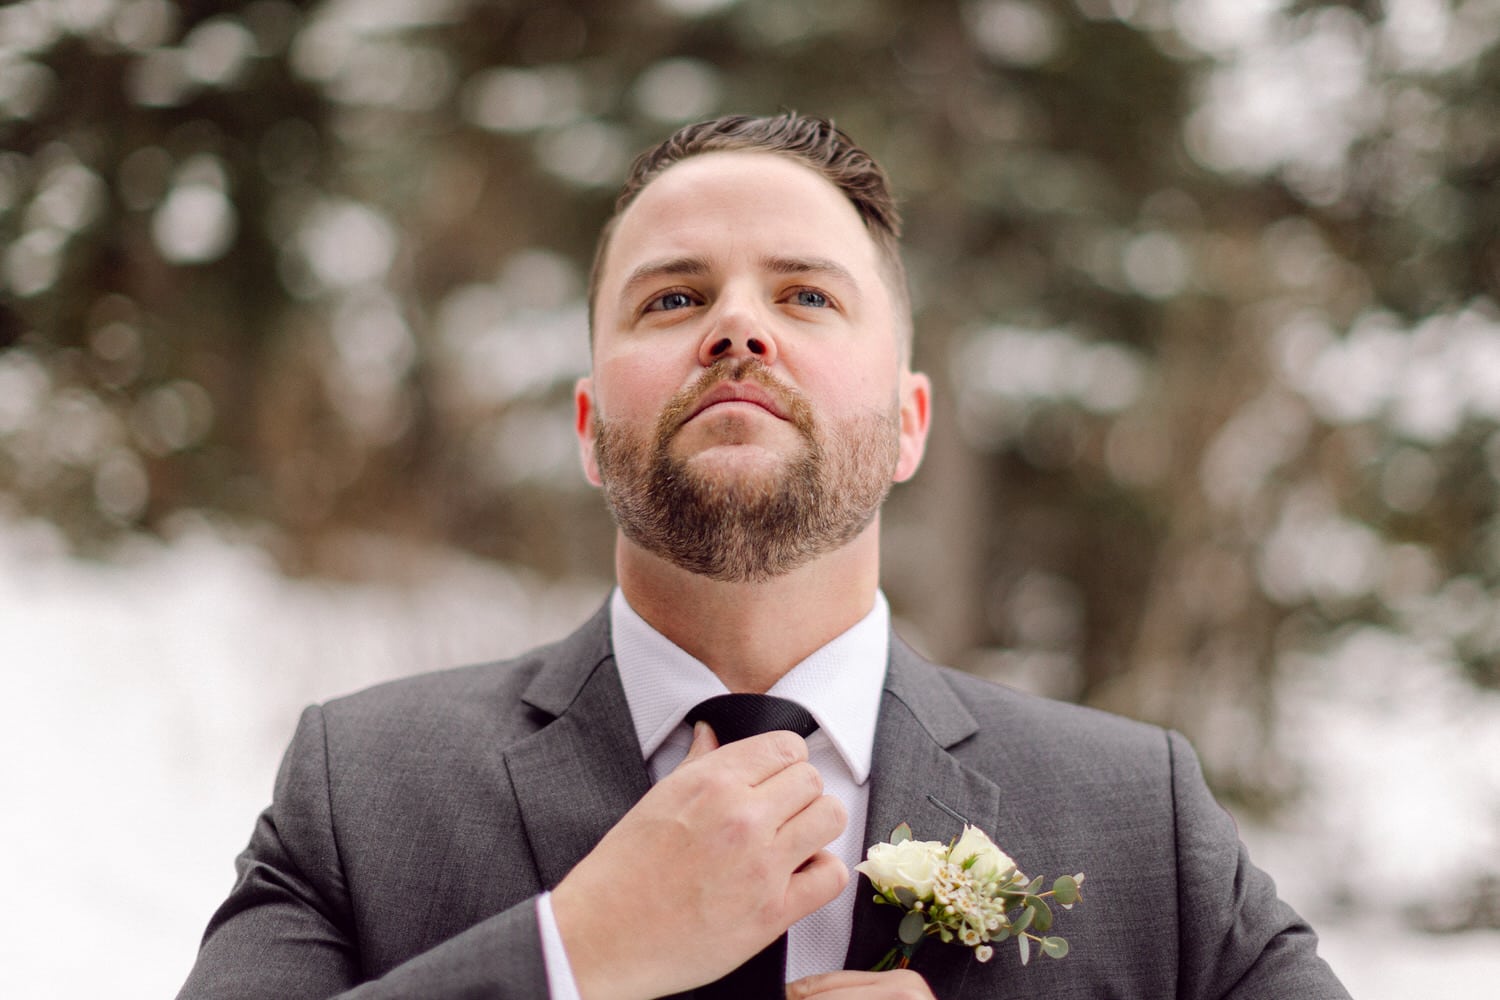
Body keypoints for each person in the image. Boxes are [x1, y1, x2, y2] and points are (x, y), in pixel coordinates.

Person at [178, 113, 1351, 1000]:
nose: (737, 329)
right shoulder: (362, 791)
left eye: (805, 294)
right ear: (589, 430)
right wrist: (570, 955)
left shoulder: (1139, 819)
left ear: (908, 424)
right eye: (675, 296)